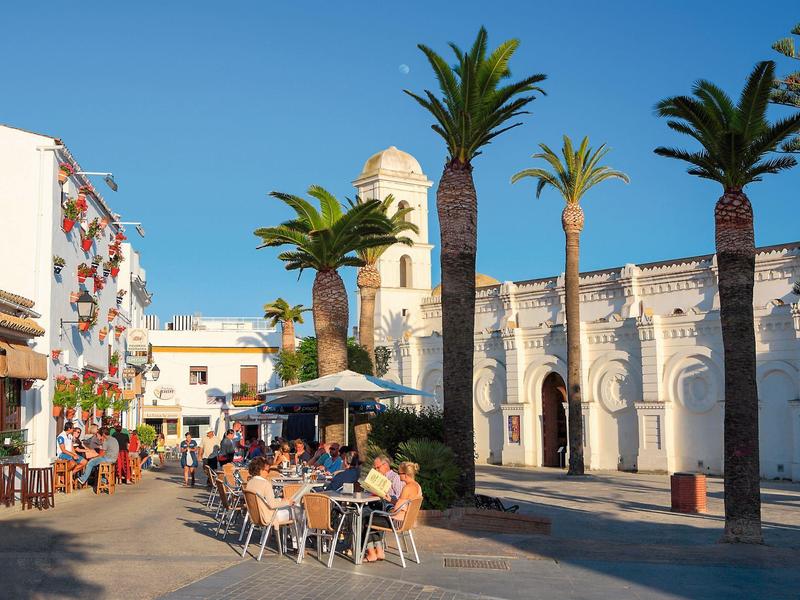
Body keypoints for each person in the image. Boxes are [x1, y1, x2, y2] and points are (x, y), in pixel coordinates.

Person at [363, 461, 422, 562]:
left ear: (406, 475)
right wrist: (390, 499)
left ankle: (372, 553)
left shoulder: (407, 488)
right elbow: (403, 504)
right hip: (407, 521)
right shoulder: (417, 486)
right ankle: (379, 551)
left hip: (397, 522)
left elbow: (395, 510)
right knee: (376, 516)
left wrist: (388, 509)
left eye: (399, 473)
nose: (398, 475)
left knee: (365, 517)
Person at [244, 456, 294, 525]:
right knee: (297, 512)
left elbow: (264, 501)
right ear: (261, 470)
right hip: (269, 517)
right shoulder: (265, 483)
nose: (268, 473)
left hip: (256, 516)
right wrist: (287, 502)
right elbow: (272, 505)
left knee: (293, 510)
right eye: (267, 470)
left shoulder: (250, 482)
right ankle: (303, 535)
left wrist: (280, 500)